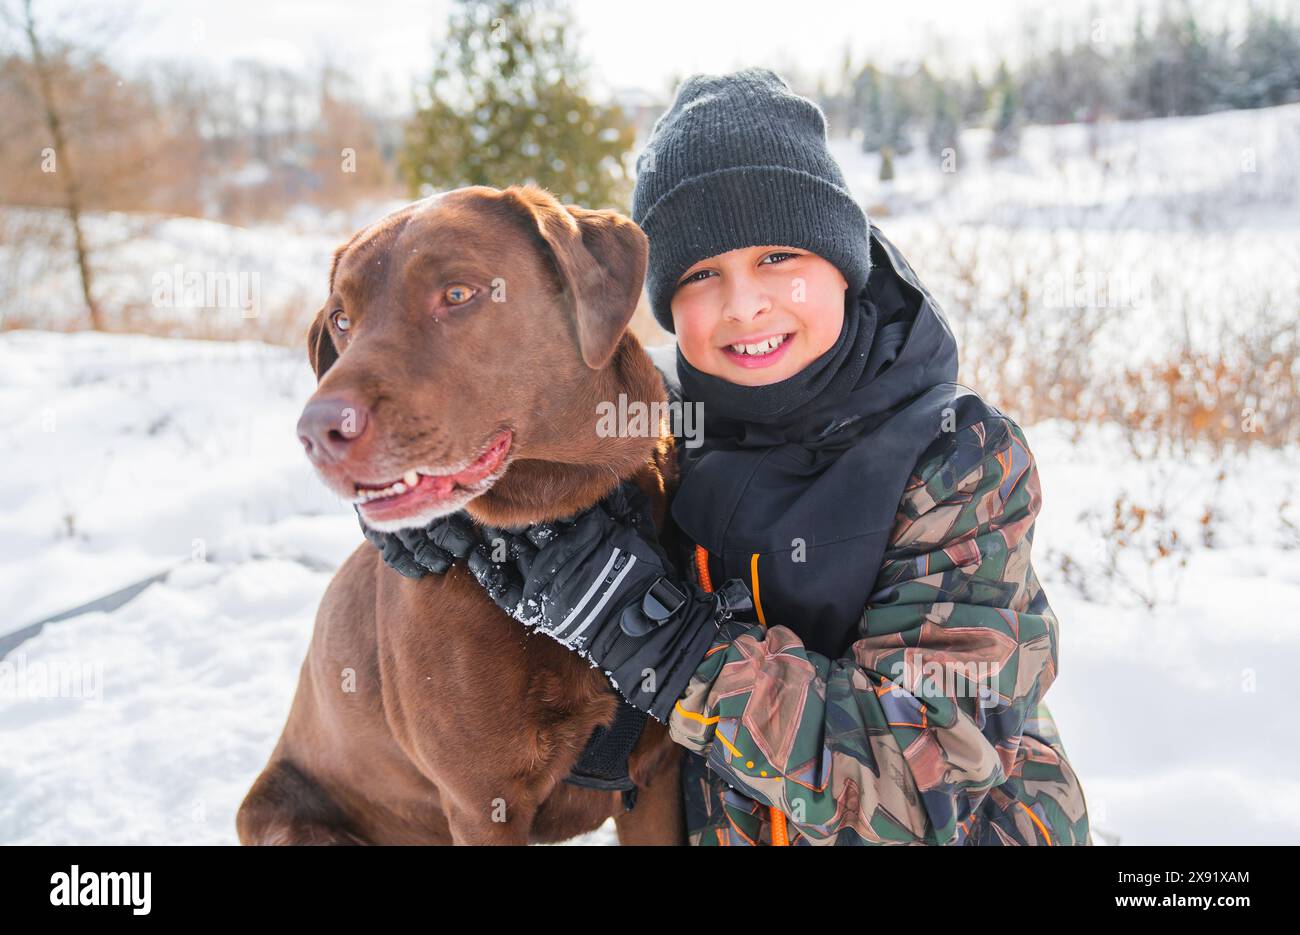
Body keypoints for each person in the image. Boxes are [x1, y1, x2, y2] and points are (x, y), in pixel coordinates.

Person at [364, 67, 1091, 846]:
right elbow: (510, 407)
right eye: (703, 274)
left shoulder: (958, 458)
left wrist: (662, 642)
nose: (745, 306)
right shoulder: (659, 425)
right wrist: (420, 494)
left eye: (779, 257)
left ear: (841, 260)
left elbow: (920, 782)